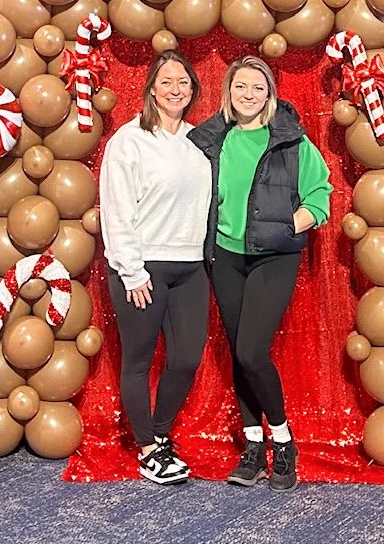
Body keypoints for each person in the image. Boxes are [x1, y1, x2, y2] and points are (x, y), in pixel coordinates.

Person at [190, 55, 332, 491]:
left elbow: (320, 199)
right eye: (240, 88)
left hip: (273, 257)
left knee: (252, 351)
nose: (248, 95)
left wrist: (286, 225)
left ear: (269, 94)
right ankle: (253, 446)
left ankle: (284, 441)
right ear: (228, 93)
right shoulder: (212, 140)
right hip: (226, 257)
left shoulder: (291, 142)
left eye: (257, 88)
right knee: (238, 351)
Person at [98, 50, 213, 485]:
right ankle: (147, 449)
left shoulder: (198, 140)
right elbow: (117, 209)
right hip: (142, 266)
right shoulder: (129, 141)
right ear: (150, 89)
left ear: (192, 91)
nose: (175, 89)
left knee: (185, 358)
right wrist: (131, 269)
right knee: (139, 361)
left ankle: (161, 434)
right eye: (166, 81)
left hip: (190, 265)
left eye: (183, 82)